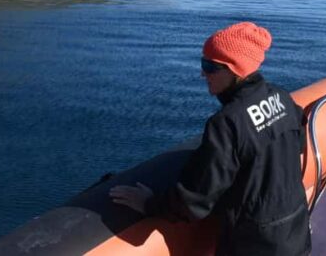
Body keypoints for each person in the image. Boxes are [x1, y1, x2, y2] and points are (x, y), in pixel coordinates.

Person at [110, 21, 311, 256]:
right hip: (294, 234)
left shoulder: (226, 123)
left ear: (235, 69)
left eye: (210, 66)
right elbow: (297, 146)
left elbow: (195, 201)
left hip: (255, 245)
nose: (202, 73)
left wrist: (149, 204)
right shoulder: (282, 98)